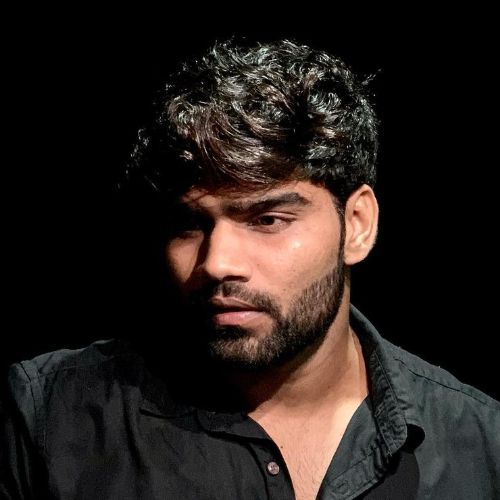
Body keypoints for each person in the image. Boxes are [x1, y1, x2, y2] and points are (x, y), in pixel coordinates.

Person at [1, 39, 498, 500]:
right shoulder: (49, 417)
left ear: (357, 225)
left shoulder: (482, 443)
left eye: (267, 220)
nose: (217, 263)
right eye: (189, 224)